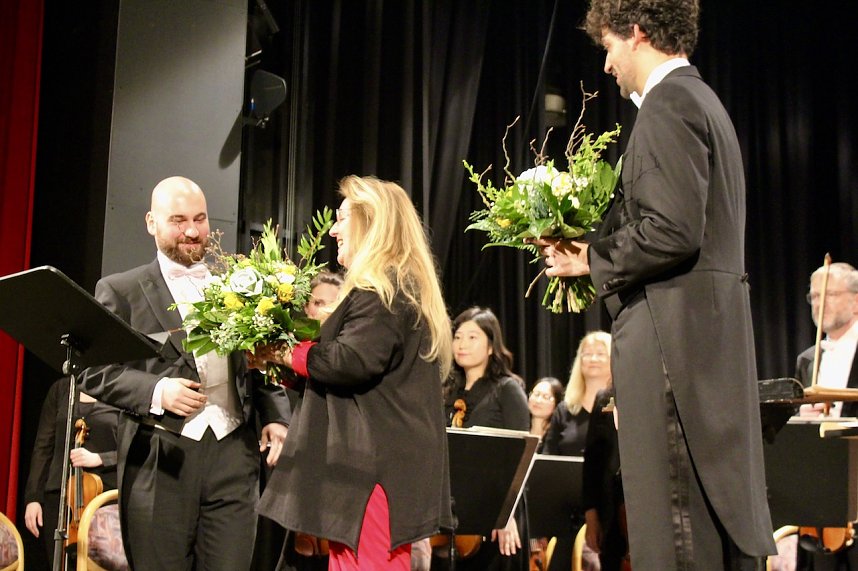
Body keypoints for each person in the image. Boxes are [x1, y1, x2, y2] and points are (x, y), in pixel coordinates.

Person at [534, 1, 775, 567]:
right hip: (696, 345)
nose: (607, 65)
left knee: (675, 531)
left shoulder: (670, 105)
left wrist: (589, 259)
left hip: (673, 349)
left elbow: (672, 230)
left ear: (637, 33)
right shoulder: (702, 102)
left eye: (609, 47)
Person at [79, 175, 292, 571]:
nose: (192, 232)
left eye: (200, 219)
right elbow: (92, 370)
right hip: (160, 458)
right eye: (178, 220)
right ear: (151, 222)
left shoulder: (237, 285)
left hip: (234, 457)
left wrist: (277, 417)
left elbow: (261, 358)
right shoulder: (121, 290)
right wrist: (157, 391)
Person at [252, 175, 453, 570]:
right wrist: (278, 365)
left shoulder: (384, 289)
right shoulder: (393, 286)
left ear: (372, 223)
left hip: (375, 468)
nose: (333, 230)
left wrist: (283, 351)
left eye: (342, 218)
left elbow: (350, 362)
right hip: (369, 466)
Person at [440, 306, 530, 570]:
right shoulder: (446, 391)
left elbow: (520, 457)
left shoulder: (507, 389)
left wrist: (506, 514)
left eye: (472, 337)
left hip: (498, 507)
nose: (462, 344)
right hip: (456, 508)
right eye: (458, 337)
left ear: (491, 346)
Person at [794, 262, 858, 570]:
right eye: (814, 296)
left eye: (830, 294)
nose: (819, 303)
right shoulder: (807, 359)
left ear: (856, 301)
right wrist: (803, 415)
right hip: (822, 500)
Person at [24, 378, 119, 568]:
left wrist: (101, 458)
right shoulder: (62, 389)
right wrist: (33, 497)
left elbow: (138, 446)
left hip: (106, 495)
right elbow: (43, 445)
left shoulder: (120, 386)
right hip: (60, 496)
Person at [543, 331, 612, 457]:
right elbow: (548, 456)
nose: (593, 359)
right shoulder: (564, 410)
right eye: (587, 354)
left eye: (601, 354)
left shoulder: (623, 407)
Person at [528, 376, 564, 448]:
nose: (538, 401)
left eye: (546, 397)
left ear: (557, 403)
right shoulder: (519, 425)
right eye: (536, 394)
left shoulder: (559, 434)